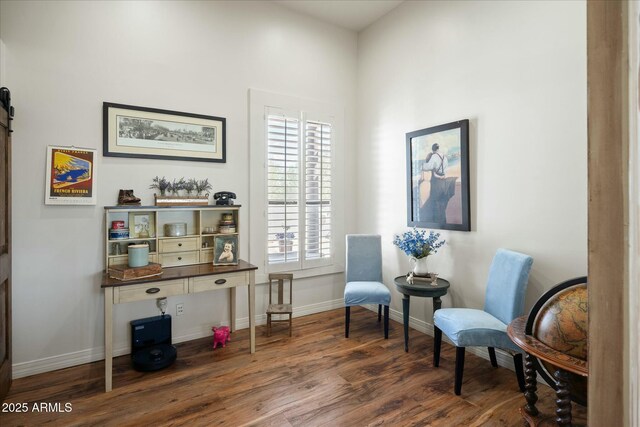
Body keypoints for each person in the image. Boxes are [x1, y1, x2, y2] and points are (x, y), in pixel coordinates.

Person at [421, 143, 457, 224]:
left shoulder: (434, 156)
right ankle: (442, 221)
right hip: (443, 180)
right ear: (438, 148)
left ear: (433, 150)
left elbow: (428, 166)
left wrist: (422, 166)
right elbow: (446, 167)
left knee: (435, 202)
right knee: (442, 203)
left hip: (436, 181)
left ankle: (437, 222)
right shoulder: (444, 156)